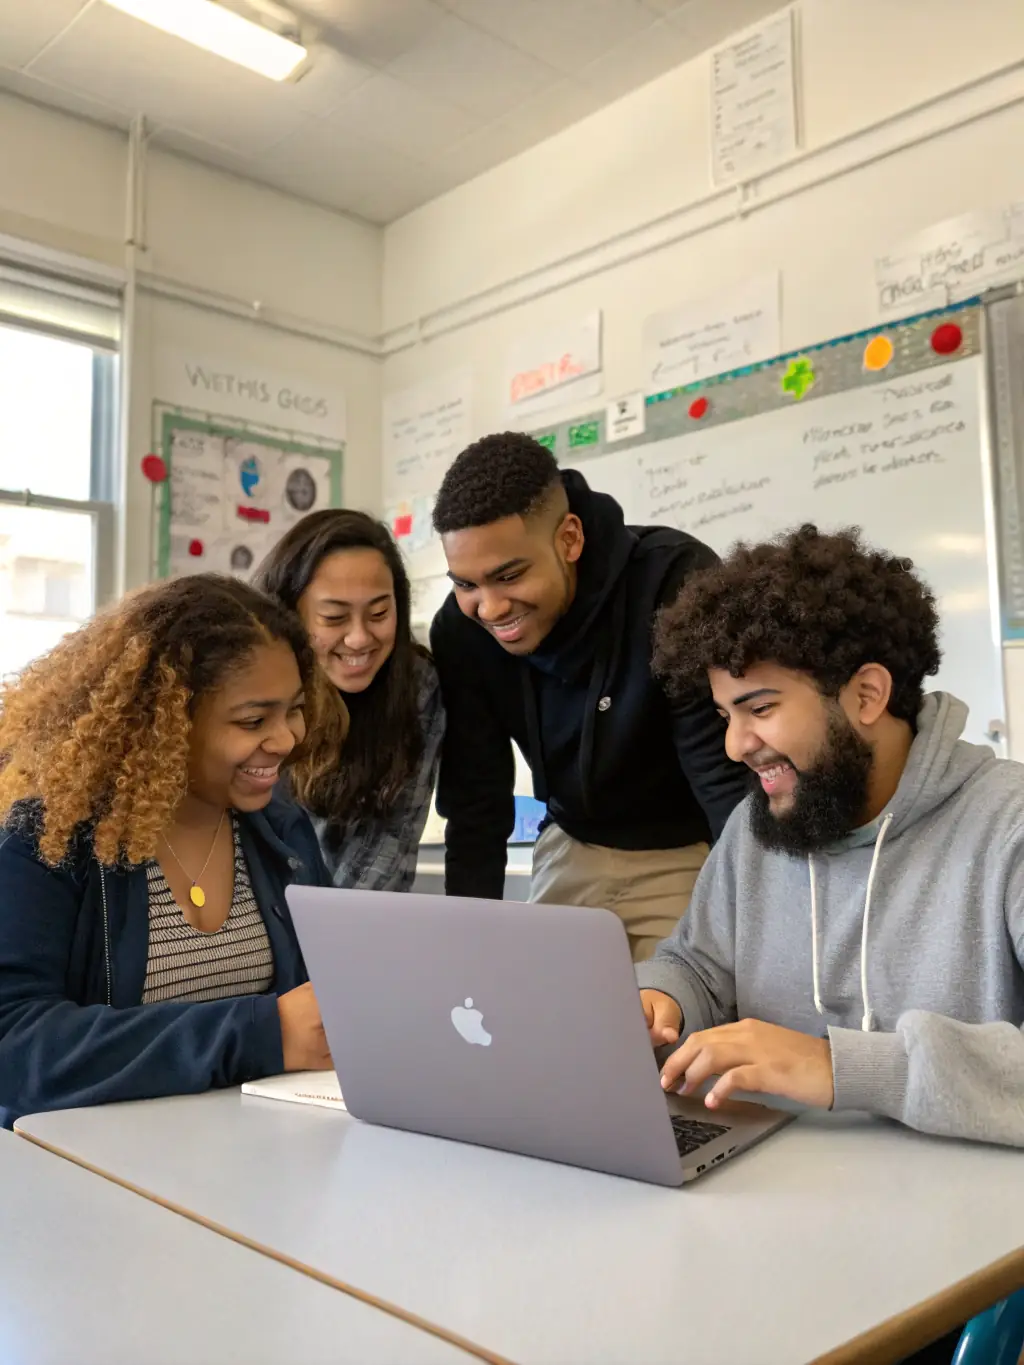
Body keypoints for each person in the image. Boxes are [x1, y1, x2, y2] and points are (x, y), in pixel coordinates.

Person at [637, 523, 1024, 1149]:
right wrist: (662, 997)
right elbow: (699, 964)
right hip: (784, 1189)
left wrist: (841, 1068)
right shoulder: (760, 825)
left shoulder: (1010, 824)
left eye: (760, 710)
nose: (736, 745)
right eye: (725, 716)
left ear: (867, 695)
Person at [0, 574, 347, 1128]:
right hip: (93, 1169)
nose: (286, 739)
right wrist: (262, 1032)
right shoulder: (50, 837)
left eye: (295, 710)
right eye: (253, 721)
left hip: (263, 1159)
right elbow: (15, 1046)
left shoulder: (283, 834)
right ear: (165, 722)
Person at [430, 433, 748, 960]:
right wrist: (470, 943)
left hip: (686, 850)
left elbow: (724, 782)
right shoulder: (461, 631)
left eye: (508, 576)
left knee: (671, 1029)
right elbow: (475, 796)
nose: (488, 609)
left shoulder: (674, 583)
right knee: (545, 1025)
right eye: (465, 584)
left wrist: (755, 912)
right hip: (570, 842)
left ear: (569, 539)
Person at [253, 510, 444, 892]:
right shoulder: (252, 687)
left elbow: (390, 846)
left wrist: (335, 930)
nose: (359, 638)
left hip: (355, 922)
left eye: (379, 613)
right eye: (334, 617)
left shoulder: (416, 687)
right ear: (288, 615)